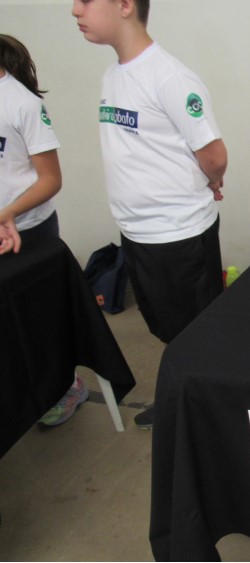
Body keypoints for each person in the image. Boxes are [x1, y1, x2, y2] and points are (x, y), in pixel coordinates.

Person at [72, 0, 228, 429]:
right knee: (166, 326)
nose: (75, 10)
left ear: (125, 5)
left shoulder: (170, 77)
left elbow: (214, 155)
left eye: (86, 0)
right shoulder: (113, 75)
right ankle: (183, 399)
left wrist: (211, 182)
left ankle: (207, 416)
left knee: (196, 331)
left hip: (177, 233)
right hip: (137, 232)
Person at [1, 34, 89, 426]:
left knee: (42, 319)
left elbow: (50, 179)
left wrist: (8, 213)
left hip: (30, 230)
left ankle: (68, 387)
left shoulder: (22, 104)